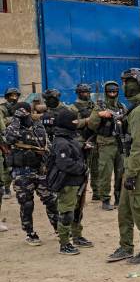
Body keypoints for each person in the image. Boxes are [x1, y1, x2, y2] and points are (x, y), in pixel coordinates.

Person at [107, 68, 140, 264]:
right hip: (134, 166)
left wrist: (131, 174)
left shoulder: (138, 112)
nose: (123, 86)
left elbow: (138, 146)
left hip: (139, 168)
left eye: (127, 82)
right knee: (125, 210)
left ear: (137, 84)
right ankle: (126, 246)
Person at [4, 102, 58, 245]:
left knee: (51, 200)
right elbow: (9, 139)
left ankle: (59, 228)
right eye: (23, 113)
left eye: (28, 112)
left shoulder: (38, 126)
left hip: (40, 170)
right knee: (27, 204)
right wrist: (16, 119)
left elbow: (48, 145)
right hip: (22, 172)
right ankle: (30, 233)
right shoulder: (13, 127)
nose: (27, 115)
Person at [49, 108, 93, 255]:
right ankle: (64, 243)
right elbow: (64, 163)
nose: (76, 123)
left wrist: (83, 148)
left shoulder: (69, 138)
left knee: (77, 210)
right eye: (74, 121)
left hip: (76, 182)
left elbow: (74, 150)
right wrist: (82, 167)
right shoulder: (61, 142)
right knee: (67, 213)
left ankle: (77, 236)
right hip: (67, 183)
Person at [88, 81, 126, 211]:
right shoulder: (99, 107)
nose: (112, 94)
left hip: (119, 143)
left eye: (114, 92)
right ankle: (105, 199)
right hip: (105, 144)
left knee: (121, 172)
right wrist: (99, 115)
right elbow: (92, 125)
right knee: (105, 172)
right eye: (109, 92)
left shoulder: (122, 106)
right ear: (106, 92)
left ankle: (119, 197)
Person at [70, 83, 100, 201]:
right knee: (81, 168)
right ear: (78, 93)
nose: (86, 94)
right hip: (80, 140)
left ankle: (96, 192)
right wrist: (87, 121)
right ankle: (79, 193)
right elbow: (73, 123)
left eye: (87, 92)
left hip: (94, 138)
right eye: (83, 92)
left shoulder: (95, 106)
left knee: (96, 168)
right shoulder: (73, 107)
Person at [0, 87, 20, 199]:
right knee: (7, 165)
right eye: (11, 96)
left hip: (17, 139)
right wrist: (13, 119)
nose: (14, 98)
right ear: (7, 97)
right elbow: (2, 123)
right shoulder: (2, 108)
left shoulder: (19, 107)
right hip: (5, 141)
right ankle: (6, 188)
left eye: (16, 95)